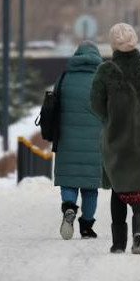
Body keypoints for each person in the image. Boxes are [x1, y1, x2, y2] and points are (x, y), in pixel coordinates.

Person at [90, 23, 140, 255]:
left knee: (118, 188)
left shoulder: (105, 71)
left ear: (113, 44)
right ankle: (139, 234)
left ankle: (118, 243)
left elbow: (95, 104)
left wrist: (110, 118)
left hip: (116, 137)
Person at [53, 42, 105, 240]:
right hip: (95, 141)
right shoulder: (102, 79)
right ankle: (86, 227)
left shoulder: (64, 77)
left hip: (67, 139)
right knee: (91, 187)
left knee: (69, 181)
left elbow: (53, 105)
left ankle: (68, 206)